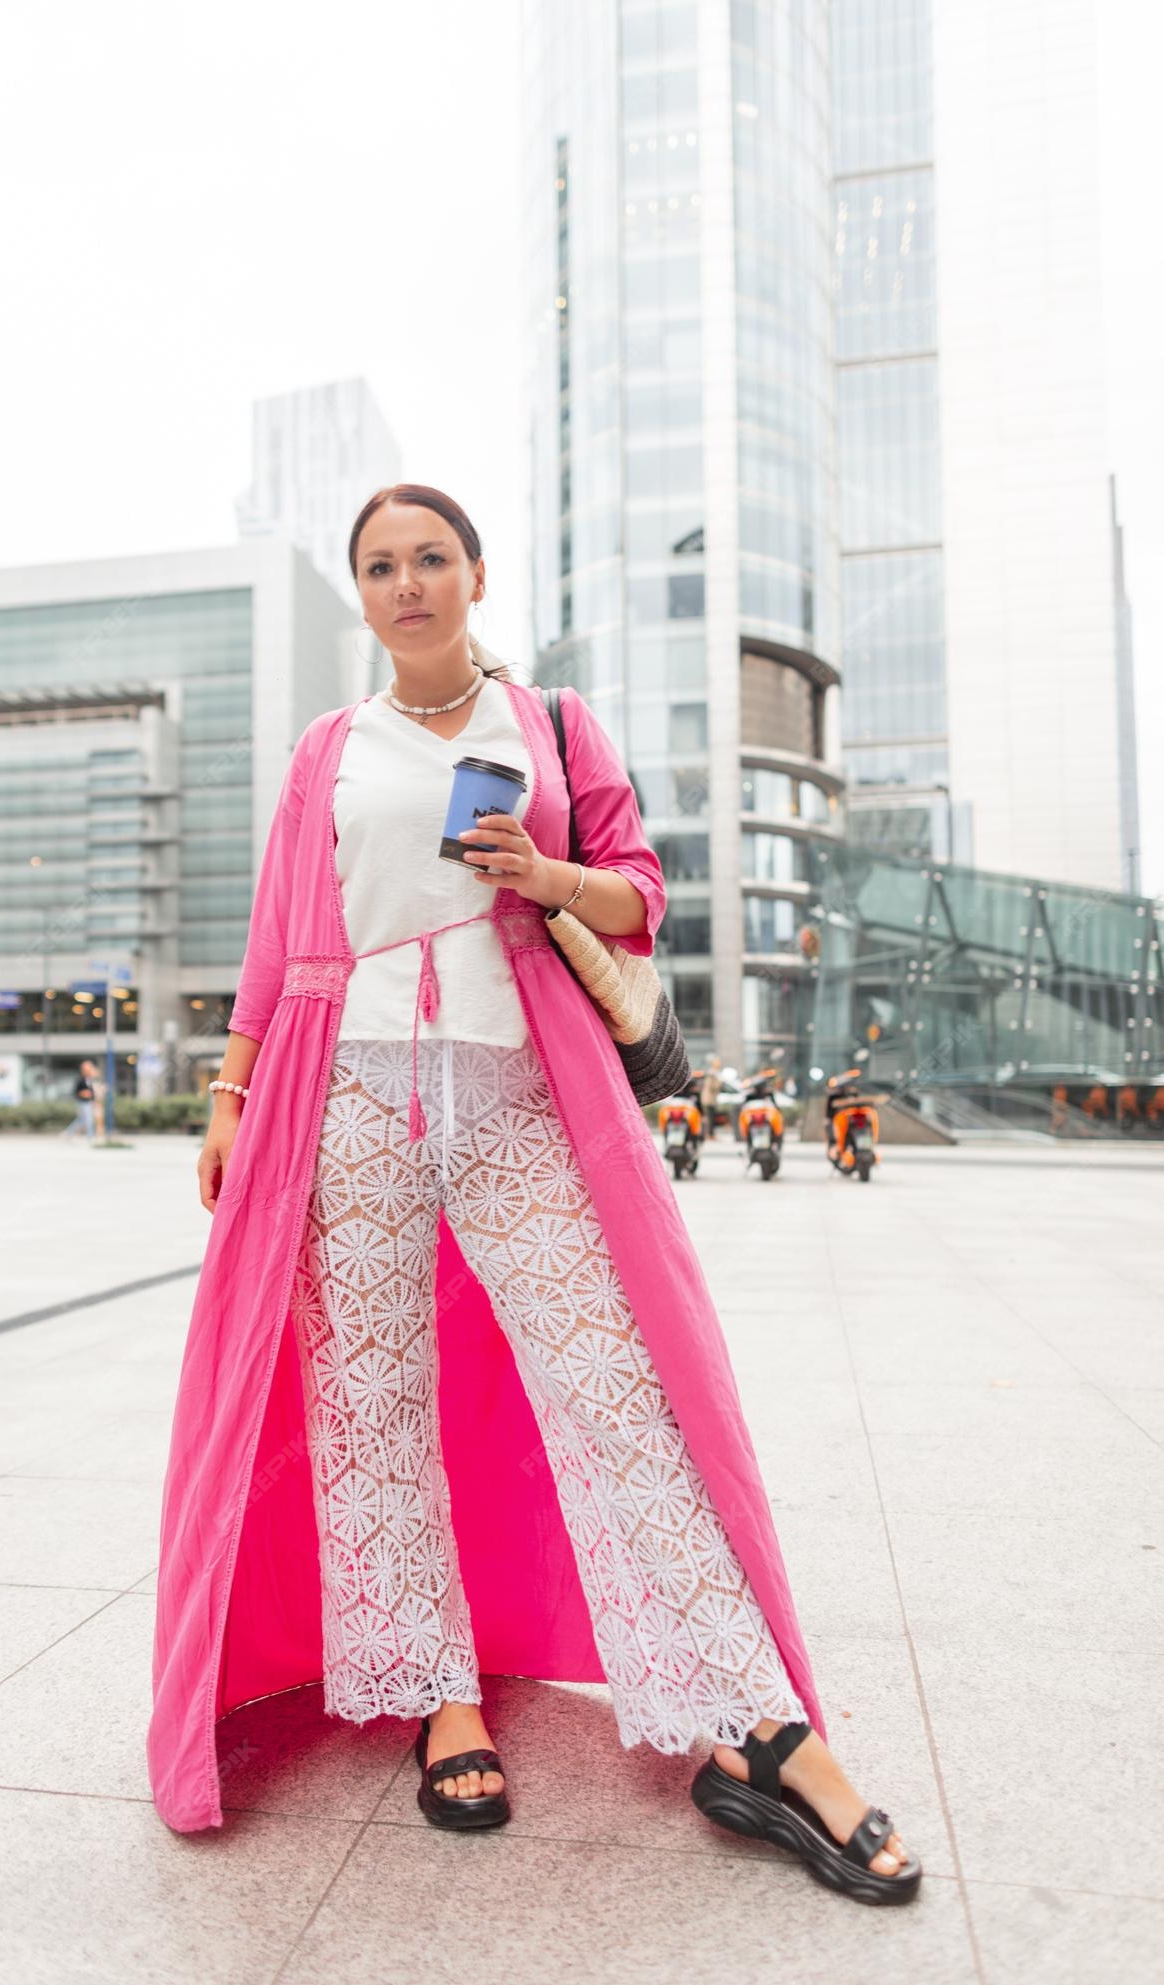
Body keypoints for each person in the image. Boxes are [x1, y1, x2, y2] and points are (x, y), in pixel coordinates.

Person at [148, 484, 918, 1903]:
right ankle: (438, 1695)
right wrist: (228, 1094)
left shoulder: (551, 725)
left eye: (430, 558)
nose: (407, 584)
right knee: (371, 1404)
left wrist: (540, 867)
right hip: (353, 1100)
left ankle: (757, 1723)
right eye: (380, 567)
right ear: (363, 596)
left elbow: (638, 893)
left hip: (512, 1097)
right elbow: (273, 940)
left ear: (475, 575)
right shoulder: (330, 748)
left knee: (616, 1391)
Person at [61, 1059, 99, 1140]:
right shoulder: (80, 1080)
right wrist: (83, 1093)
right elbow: (75, 1092)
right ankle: (90, 1137)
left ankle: (68, 1132)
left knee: (82, 1120)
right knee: (88, 1119)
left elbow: (92, 1092)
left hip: (89, 1102)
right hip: (82, 1102)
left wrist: (93, 1100)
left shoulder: (89, 1080)